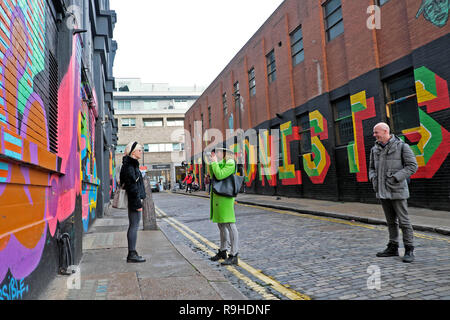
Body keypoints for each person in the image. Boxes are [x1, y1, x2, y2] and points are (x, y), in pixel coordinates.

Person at [369, 122, 418, 263]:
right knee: (391, 222)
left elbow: (412, 166)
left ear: (385, 131)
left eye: (376, 132)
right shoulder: (374, 149)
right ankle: (393, 247)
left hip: (397, 189)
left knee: (404, 221)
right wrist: (374, 179)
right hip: (382, 190)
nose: (374, 135)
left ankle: (409, 249)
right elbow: (371, 168)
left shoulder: (402, 146)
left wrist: (396, 177)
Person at [208, 148, 240, 265]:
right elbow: (213, 175)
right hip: (218, 197)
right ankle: (222, 251)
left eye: (218, 152)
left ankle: (234, 254)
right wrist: (212, 163)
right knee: (221, 225)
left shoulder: (230, 163)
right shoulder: (221, 162)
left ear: (225, 152)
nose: (216, 154)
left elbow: (220, 175)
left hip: (225, 197)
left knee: (230, 224)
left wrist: (215, 162)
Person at [120, 141, 146, 263]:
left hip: (135, 199)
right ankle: (132, 254)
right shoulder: (129, 166)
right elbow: (132, 187)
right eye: (140, 150)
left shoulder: (131, 165)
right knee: (134, 226)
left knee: (133, 225)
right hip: (134, 200)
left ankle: (132, 252)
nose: (141, 152)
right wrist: (137, 204)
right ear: (133, 152)